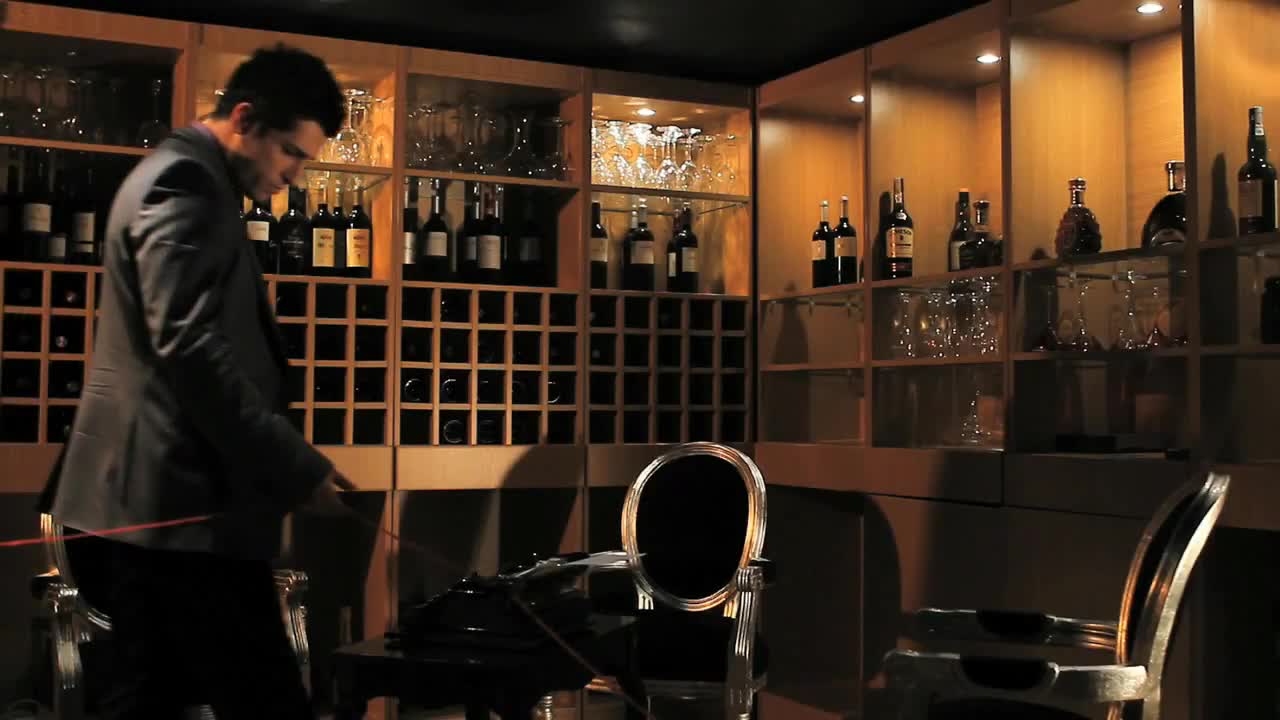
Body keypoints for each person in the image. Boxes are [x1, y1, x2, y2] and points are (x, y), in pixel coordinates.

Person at [43, 45, 351, 719]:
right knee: (261, 699)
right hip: (175, 507)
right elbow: (188, 348)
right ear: (244, 118)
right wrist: (295, 467)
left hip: (160, 508)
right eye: (290, 154)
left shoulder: (186, 175)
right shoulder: (185, 183)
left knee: (150, 698)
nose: (293, 176)